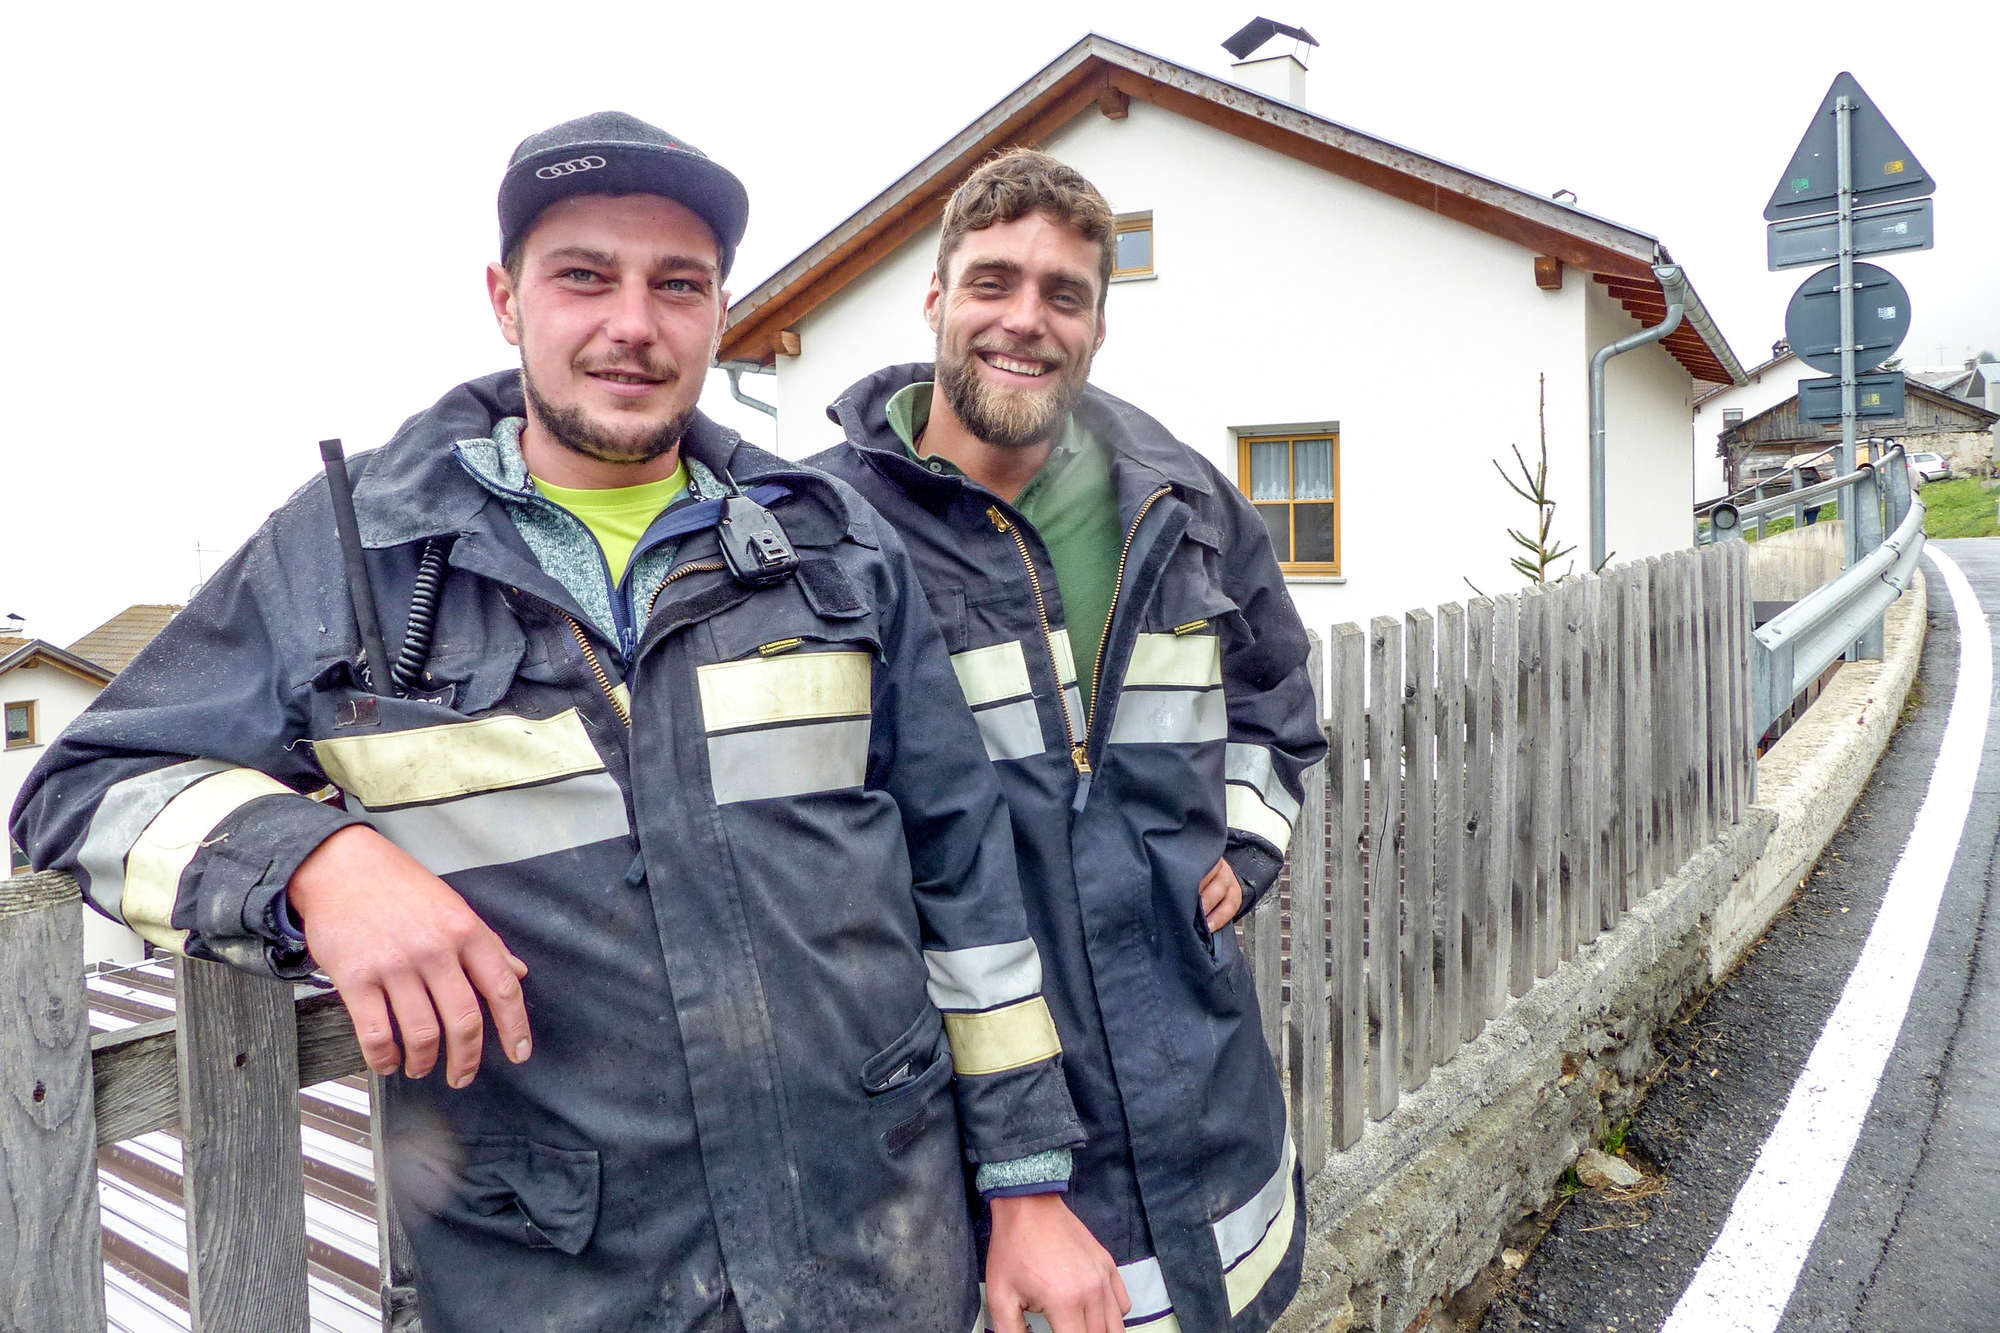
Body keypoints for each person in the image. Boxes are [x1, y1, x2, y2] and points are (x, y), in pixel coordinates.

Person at [11, 113, 1129, 1333]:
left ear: (719, 310)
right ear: (506, 299)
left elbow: (966, 881)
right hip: (561, 1280)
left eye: (677, 285)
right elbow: (84, 786)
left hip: (877, 1254)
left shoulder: (830, 542)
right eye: (584, 276)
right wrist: (317, 862)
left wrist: (1027, 1185)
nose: (632, 324)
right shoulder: (353, 551)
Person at [811, 150, 1327, 1332]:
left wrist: (1247, 840)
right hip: (965, 1129)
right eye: (992, 281)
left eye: (1064, 294)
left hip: (1205, 1095)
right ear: (935, 298)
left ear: (1097, 324)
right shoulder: (825, 535)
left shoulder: (1176, 496)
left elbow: (1275, 686)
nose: (1025, 320)